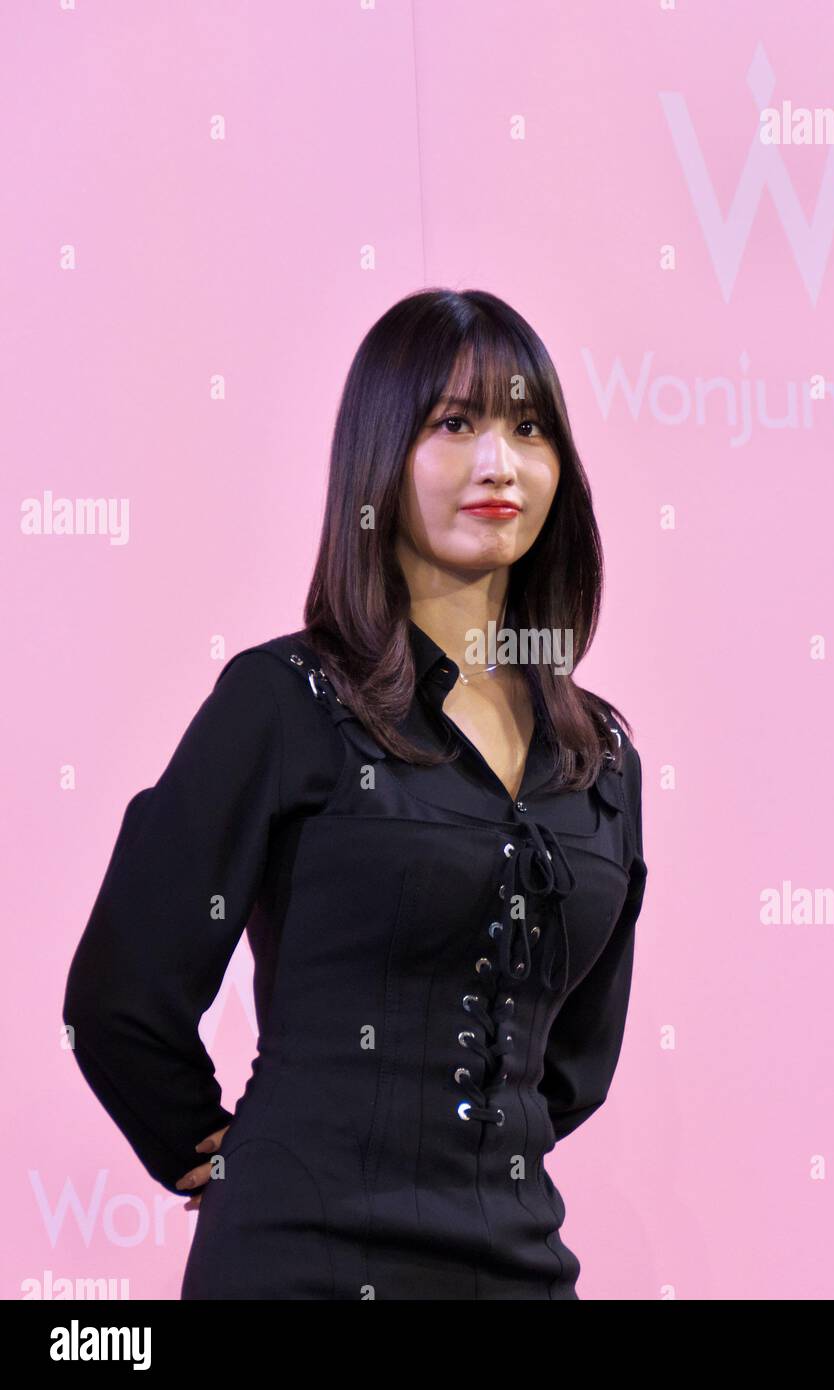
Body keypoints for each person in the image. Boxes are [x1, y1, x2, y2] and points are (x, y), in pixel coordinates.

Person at [62, 287, 649, 1300]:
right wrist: (209, 1149)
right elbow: (120, 994)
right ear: (381, 455)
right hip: (300, 1262)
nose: (498, 462)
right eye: (454, 423)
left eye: (528, 426)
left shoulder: (600, 756)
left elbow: (572, 1068)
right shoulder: (285, 702)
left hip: (514, 1269)